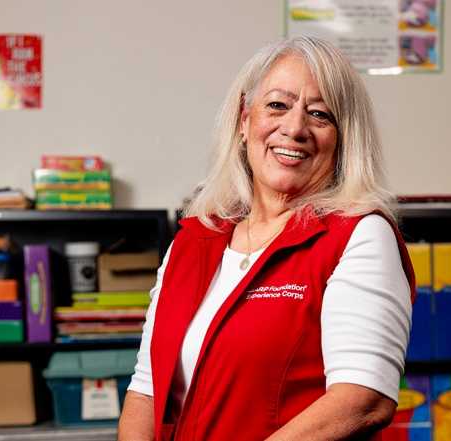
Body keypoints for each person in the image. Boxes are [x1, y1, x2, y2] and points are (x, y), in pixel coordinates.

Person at [118, 36, 415, 441]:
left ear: (343, 139)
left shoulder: (360, 235)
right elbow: (147, 390)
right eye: (277, 105)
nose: (294, 128)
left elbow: (363, 400)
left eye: (320, 114)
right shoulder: (194, 239)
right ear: (244, 121)